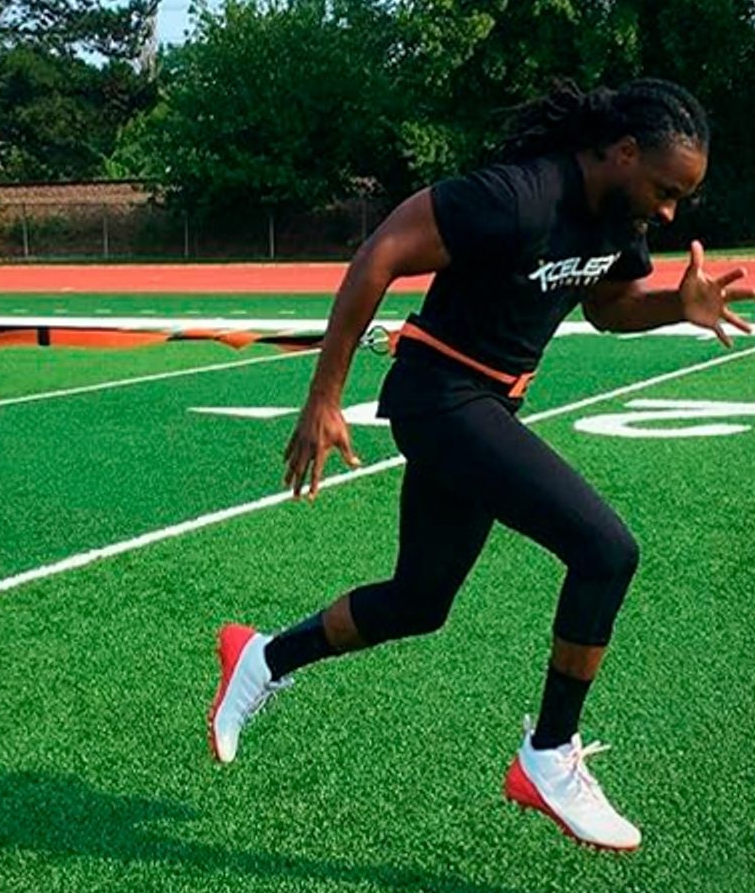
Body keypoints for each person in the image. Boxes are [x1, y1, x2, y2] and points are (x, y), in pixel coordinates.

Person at [208, 78, 752, 851]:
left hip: (487, 407)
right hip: (440, 398)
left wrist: (678, 305)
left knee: (418, 602)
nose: (668, 212)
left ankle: (262, 656)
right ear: (625, 152)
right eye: (665, 190)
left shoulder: (619, 214)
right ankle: (549, 755)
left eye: (678, 201)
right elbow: (379, 255)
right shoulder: (518, 196)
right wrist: (323, 398)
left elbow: (609, 307)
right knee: (606, 551)